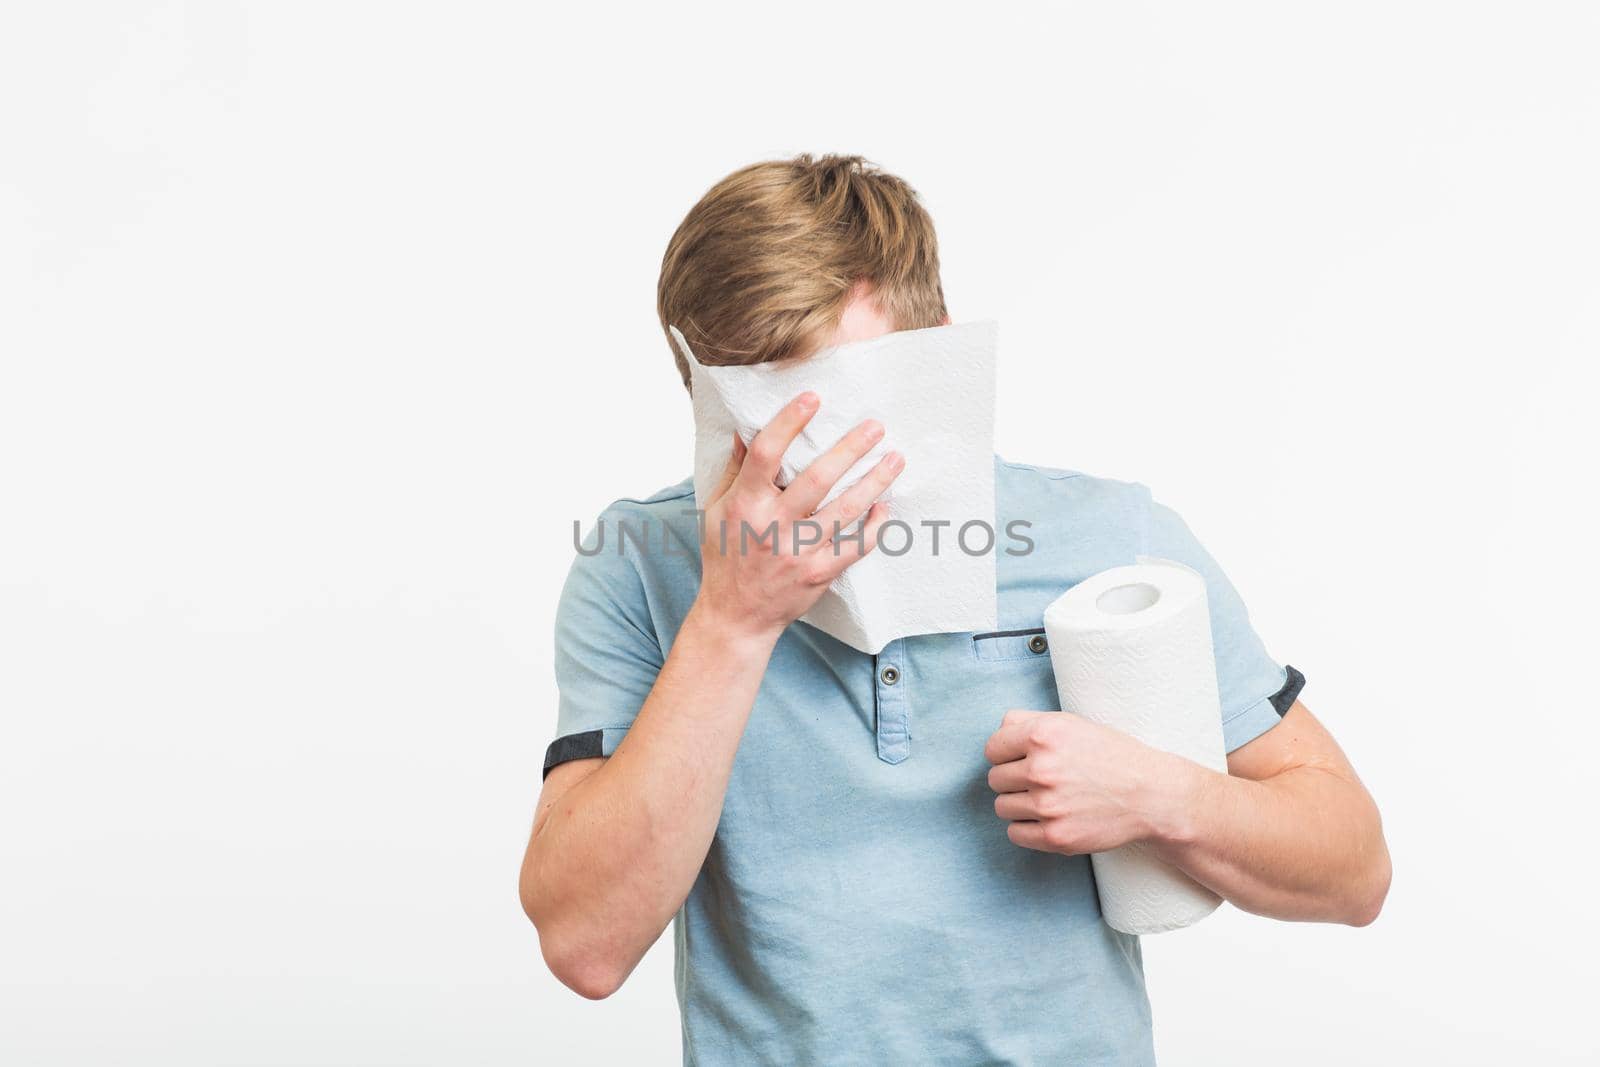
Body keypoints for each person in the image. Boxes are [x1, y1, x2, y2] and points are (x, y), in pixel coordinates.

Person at [519, 154, 1390, 1065]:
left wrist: (1157, 795)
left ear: (937, 351)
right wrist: (732, 621)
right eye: (759, 416)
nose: (804, 469)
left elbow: (1354, 865)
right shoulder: (636, 567)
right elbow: (584, 944)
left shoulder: (1111, 536)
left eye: (839, 409)